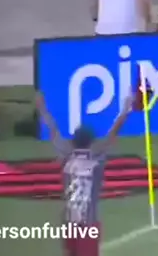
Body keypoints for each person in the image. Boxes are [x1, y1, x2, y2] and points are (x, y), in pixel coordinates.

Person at [35, 92, 134, 256]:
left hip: (69, 220)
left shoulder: (66, 154)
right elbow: (113, 133)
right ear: (91, 142)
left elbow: (53, 130)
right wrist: (125, 110)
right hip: (89, 223)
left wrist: (42, 108)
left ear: (73, 141)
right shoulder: (96, 156)